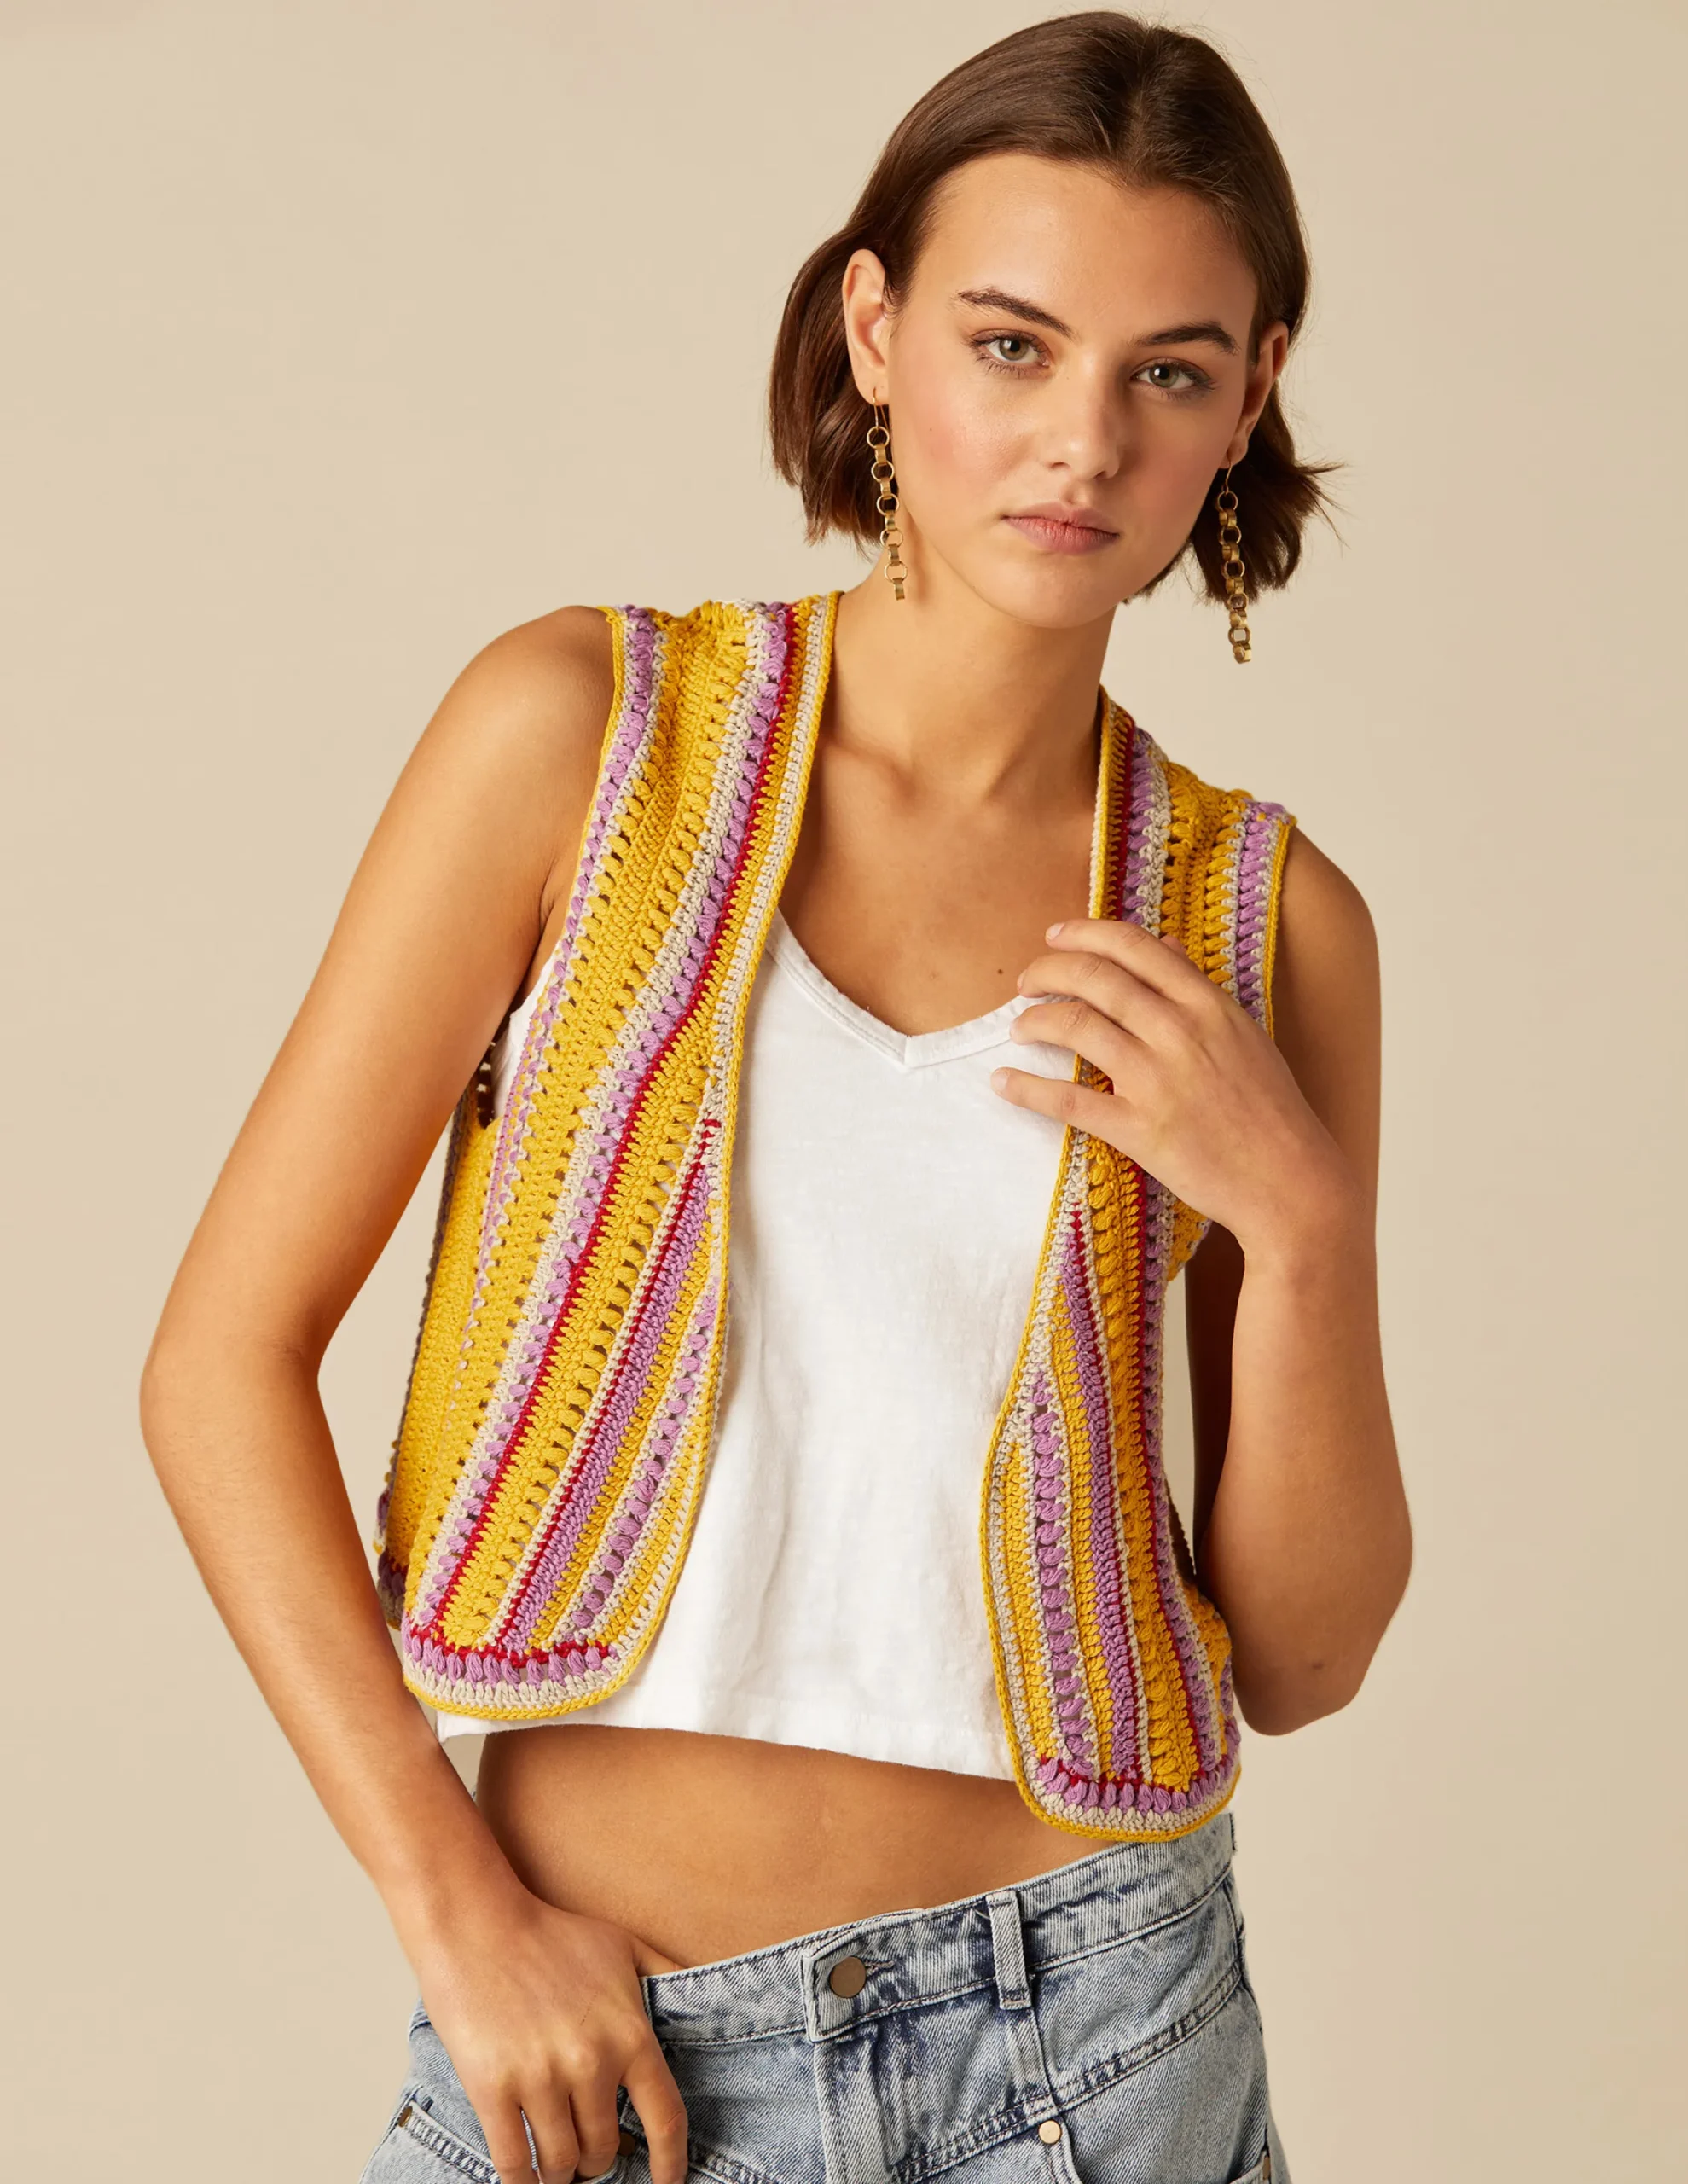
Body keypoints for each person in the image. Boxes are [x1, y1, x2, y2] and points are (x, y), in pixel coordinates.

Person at [141, 13, 1411, 2183]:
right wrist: (456, 1910)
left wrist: (1294, 1227)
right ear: (873, 329)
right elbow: (215, 1363)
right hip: (602, 2042)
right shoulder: (578, 736)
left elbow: (1303, 1652)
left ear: (1248, 396)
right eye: (1009, 344)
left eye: (1166, 371)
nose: (1080, 440)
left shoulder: (1267, 919)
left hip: (1103, 2040)